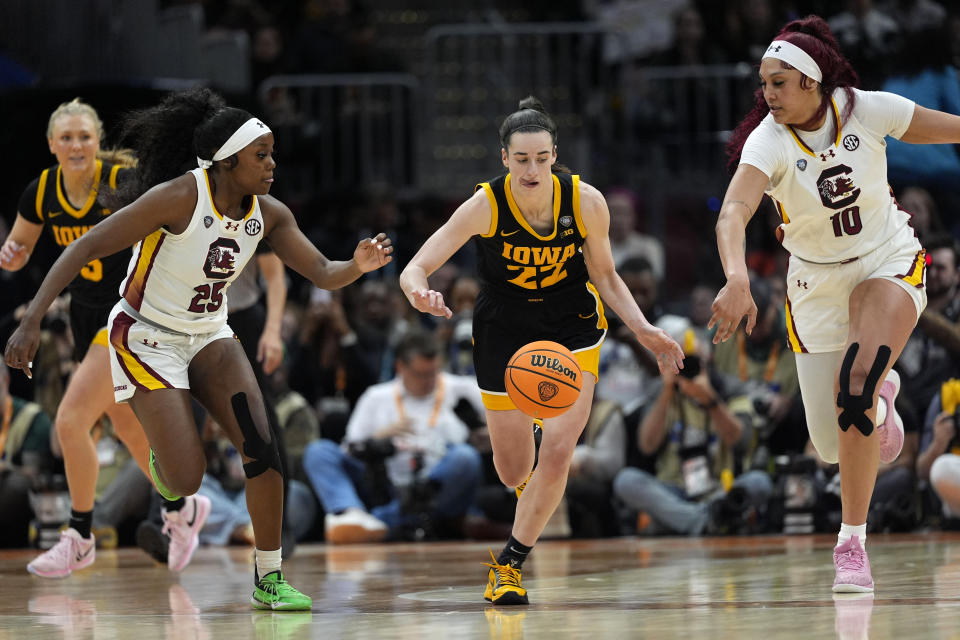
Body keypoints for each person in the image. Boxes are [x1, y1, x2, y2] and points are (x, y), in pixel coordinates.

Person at [4, 87, 393, 610]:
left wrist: (357, 267)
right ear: (228, 161)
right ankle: (172, 490)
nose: (273, 164)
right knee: (187, 477)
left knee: (263, 450)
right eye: (262, 155)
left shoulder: (270, 214)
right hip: (145, 334)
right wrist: (30, 320)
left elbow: (323, 272)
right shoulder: (179, 197)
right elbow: (85, 245)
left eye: (272, 153)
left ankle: (270, 578)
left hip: (209, 332)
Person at [399, 96, 683, 605]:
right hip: (503, 330)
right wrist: (419, 291)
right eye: (522, 159)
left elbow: (606, 275)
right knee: (513, 471)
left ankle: (508, 565)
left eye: (542, 158)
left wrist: (644, 329)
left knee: (557, 454)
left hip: (571, 326)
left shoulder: (586, 201)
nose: (533, 169)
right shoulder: (485, 204)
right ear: (504, 158)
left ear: (555, 154)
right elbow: (415, 266)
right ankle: (528, 464)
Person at [711, 14, 960, 592]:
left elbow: (938, 127)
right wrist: (736, 275)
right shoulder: (766, 141)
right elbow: (733, 212)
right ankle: (884, 395)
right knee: (830, 443)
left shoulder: (866, 109)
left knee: (854, 390)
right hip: (816, 284)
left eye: (778, 82)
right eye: (762, 83)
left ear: (812, 81)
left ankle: (852, 541)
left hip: (886, 260)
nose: (765, 94)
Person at [0, 98, 165, 578]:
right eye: (66, 138)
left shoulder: (120, 183)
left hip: (127, 313)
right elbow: (19, 251)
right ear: (51, 144)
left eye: (85, 137)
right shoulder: (40, 192)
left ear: (98, 142)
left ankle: (79, 534)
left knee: (70, 421)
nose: (76, 145)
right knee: (127, 427)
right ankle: (181, 506)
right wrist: (10, 255)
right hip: (84, 316)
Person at [302, 329, 484, 543]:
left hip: (437, 485)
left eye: (434, 373)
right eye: (421, 374)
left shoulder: (464, 389)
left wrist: (484, 435)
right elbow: (350, 451)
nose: (429, 381)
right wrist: (377, 437)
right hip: (385, 484)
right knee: (318, 451)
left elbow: (503, 428)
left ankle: (376, 523)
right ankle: (351, 514)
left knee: (465, 458)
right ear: (400, 367)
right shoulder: (375, 397)